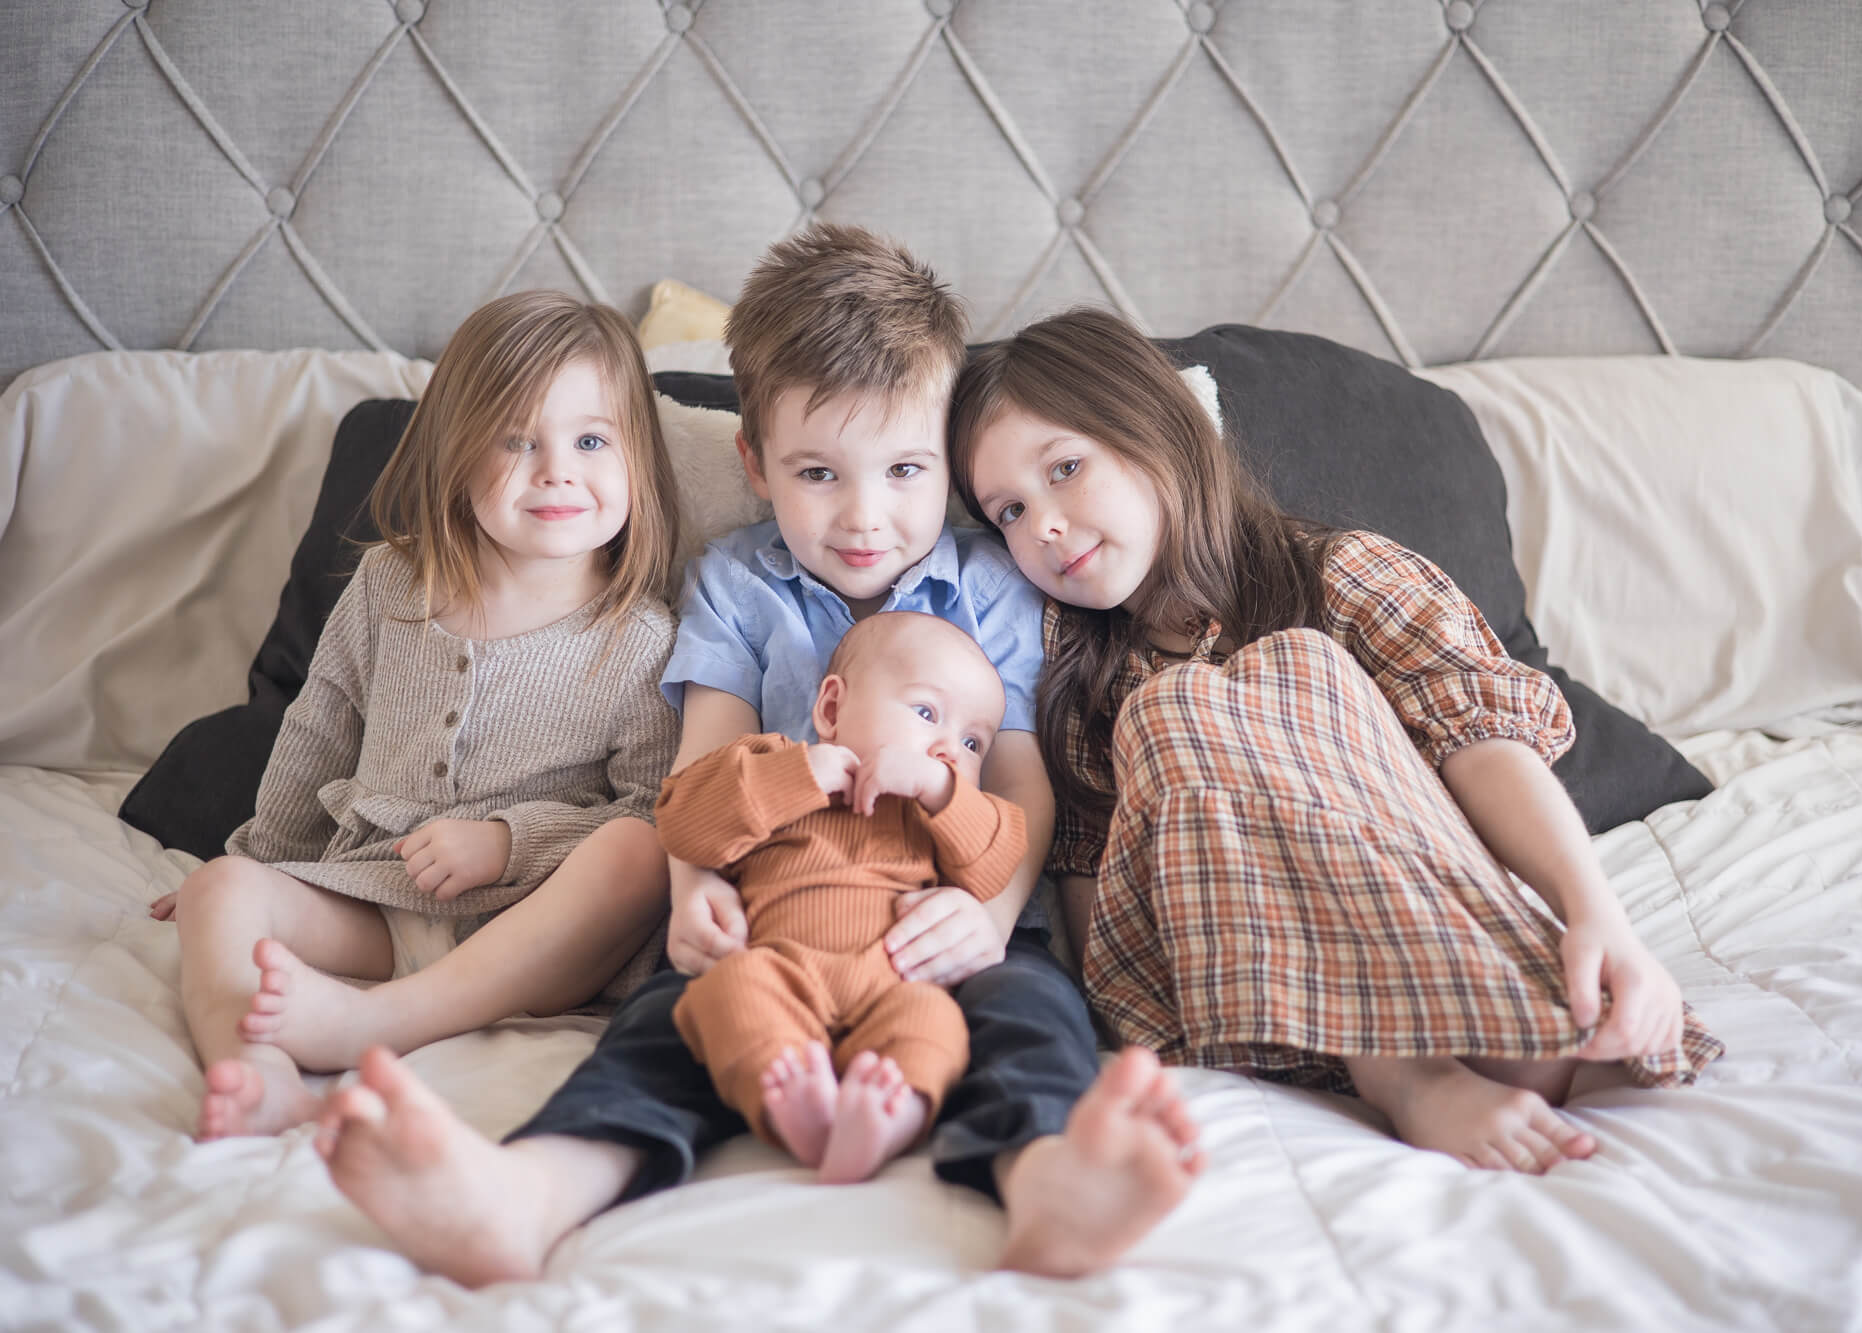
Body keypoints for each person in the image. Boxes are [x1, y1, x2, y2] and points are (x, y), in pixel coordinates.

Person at [313, 225, 1204, 1285]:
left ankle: (1047, 1180)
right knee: (663, 1026)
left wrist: (990, 914)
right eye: (817, 472)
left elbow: (1018, 778)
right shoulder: (737, 584)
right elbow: (696, 778)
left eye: (905, 470)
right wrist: (692, 894)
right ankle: (533, 1188)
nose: (864, 516)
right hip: (769, 921)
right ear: (754, 462)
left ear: (950, 472)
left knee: (1028, 1014)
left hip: (944, 916)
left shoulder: (991, 584)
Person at [949, 306, 1725, 1175]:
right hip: (1239, 984)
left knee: (1293, 664)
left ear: (1159, 433)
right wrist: (1129, 1026)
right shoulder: (1085, 686)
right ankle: (1401, 1069)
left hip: (1420, 919)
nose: (1043, 526)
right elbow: (1103, 908)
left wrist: (1599, 919)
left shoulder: (1340, 572)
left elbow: (1485, 743)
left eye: (1065, 468)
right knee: (1177, 708)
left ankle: (1506, 1012)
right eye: (1009, 510)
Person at [149, 290, 687, 1141]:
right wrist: (261, 872)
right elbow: (317, 730)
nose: (555, 470)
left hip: (536, 924)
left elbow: (651, 807)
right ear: (456, 452)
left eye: (590, 440)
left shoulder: (640, 638)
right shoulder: (389, 587)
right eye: (517, 439)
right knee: (218, 890)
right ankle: (254, 1071)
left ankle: (385, 1022)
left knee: (640, 850)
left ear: (637, 463)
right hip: (379, 892)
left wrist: (509, 841)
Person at [664, 612, 1027, 1183]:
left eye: (972, 742)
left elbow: (998, 860)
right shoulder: (771, 764)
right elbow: (683, 821)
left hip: (896, 982)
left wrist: (939, 791)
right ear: (832, 709)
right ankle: (789, 1103)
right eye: (927, 713)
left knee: (935, 1024)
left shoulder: (936, 812)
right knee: (730, 994)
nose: (949, 750)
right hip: (778, 968)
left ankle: (889, 1115)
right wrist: (796, 775)